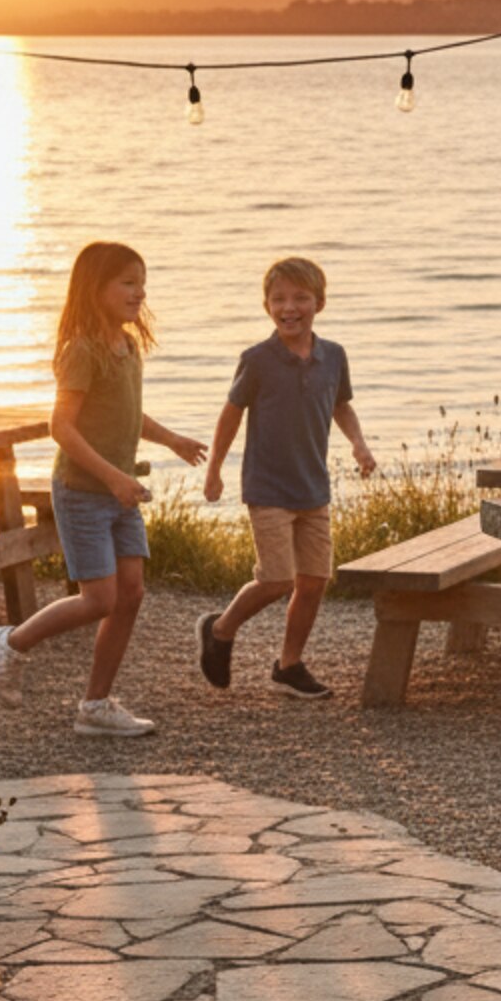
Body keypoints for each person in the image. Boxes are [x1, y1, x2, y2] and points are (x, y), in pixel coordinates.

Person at [0, 241, 206, 734]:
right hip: (84, 491)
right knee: (100, 598)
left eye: (142, 282)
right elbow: (60, 426)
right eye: (127, 282)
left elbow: (126, 410)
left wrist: (170, 439)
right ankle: (12, 642)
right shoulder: (81, 350)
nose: (139, 292)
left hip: (119, 493)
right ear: (95, 288)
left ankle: (95, 706)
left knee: (131, 593)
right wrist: (113, 477)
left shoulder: (127, 346)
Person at [195, 255, 376, 699]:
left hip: (313, 488)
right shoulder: (257, 360)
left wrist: (359, 443)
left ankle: (289, 666)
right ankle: (220, 629)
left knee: (313, 581)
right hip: (268, 486)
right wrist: (215, 470)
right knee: (276, 579)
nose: (288, 307)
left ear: (320, 303)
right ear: (266, 306)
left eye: (300, 297)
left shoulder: (333, 356)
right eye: (278, 299)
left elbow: (341, 405)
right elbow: (231, 415)